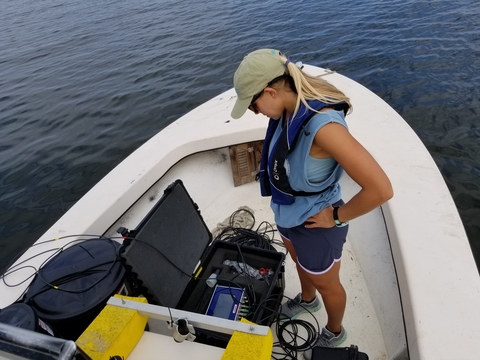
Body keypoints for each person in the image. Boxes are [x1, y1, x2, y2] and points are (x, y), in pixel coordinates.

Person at [230, 49, 393, 359]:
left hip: (316, 224)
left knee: (329, 285)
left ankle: (335, 331)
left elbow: (381, 189)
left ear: (271, 91)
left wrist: (336, 216)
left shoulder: (325, 128)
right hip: (288, 214)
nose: (254, 112)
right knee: (299, 264)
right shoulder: (288, 110)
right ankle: (308, 300)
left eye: (253, 104)